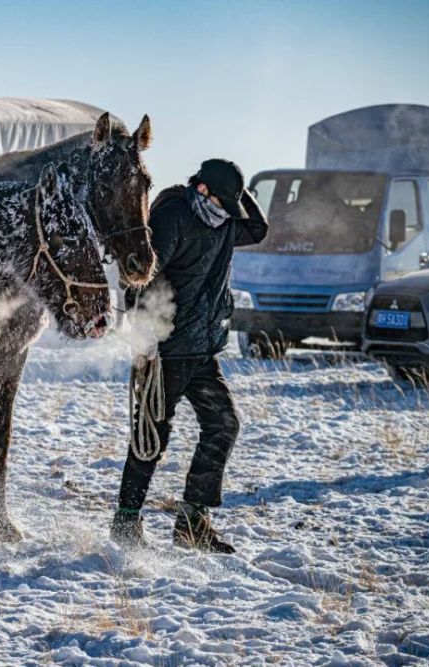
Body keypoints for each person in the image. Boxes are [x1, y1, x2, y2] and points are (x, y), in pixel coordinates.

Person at [111, 158, 268, 553]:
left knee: (224, 424)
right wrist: (144, 336)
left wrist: (235, 190)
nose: (227, 211)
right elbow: (142, 274)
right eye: (220, 200)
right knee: (151, 437)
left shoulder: (227, 221)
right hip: (167, 349)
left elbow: (258, 228)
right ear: (200, 190)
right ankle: (126, 522)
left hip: (203, 349)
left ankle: (192, 522)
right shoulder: (173, 216)